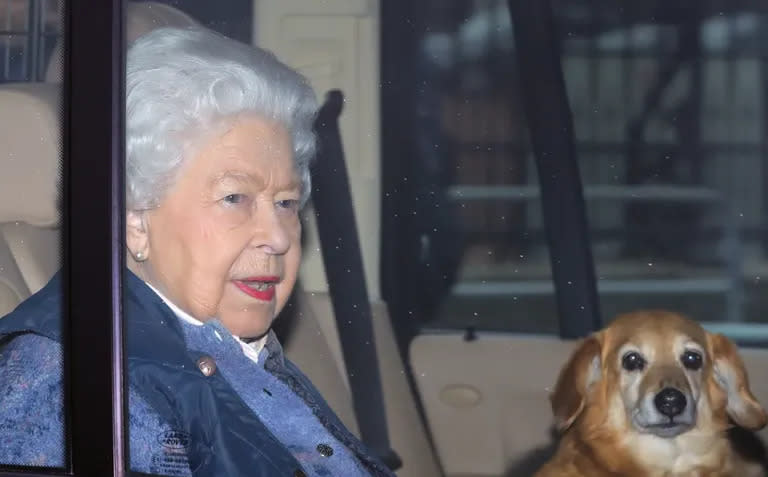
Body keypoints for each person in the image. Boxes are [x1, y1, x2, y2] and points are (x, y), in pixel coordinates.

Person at [0, 26, 395, 477]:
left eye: (286, 203)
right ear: (134, 220)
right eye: (234, 198)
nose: (280, 237)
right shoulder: (73, 385)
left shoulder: (237, 353)